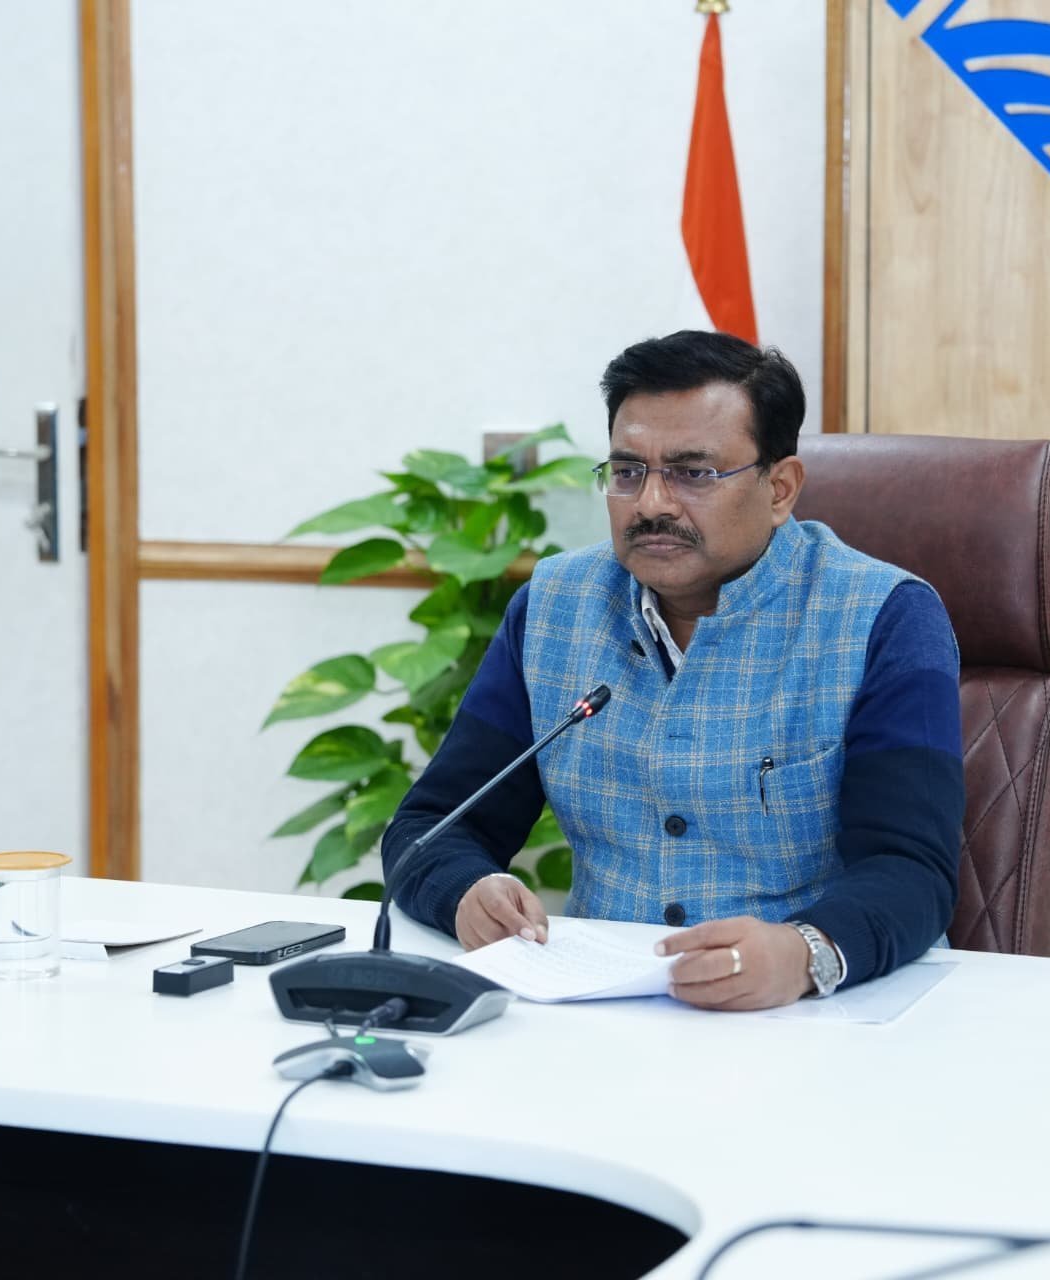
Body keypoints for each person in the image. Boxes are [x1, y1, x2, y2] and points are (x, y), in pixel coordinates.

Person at [381, 330, 963, 1010]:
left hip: (818, 1011)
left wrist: (806, 952)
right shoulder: (553, 607)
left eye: (693, 473)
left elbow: (910, 869)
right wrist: (465, 893)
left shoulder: (885, 616)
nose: (651, 503)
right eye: (628, 472)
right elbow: (432, 825)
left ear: (780, 489)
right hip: (602, 1005)